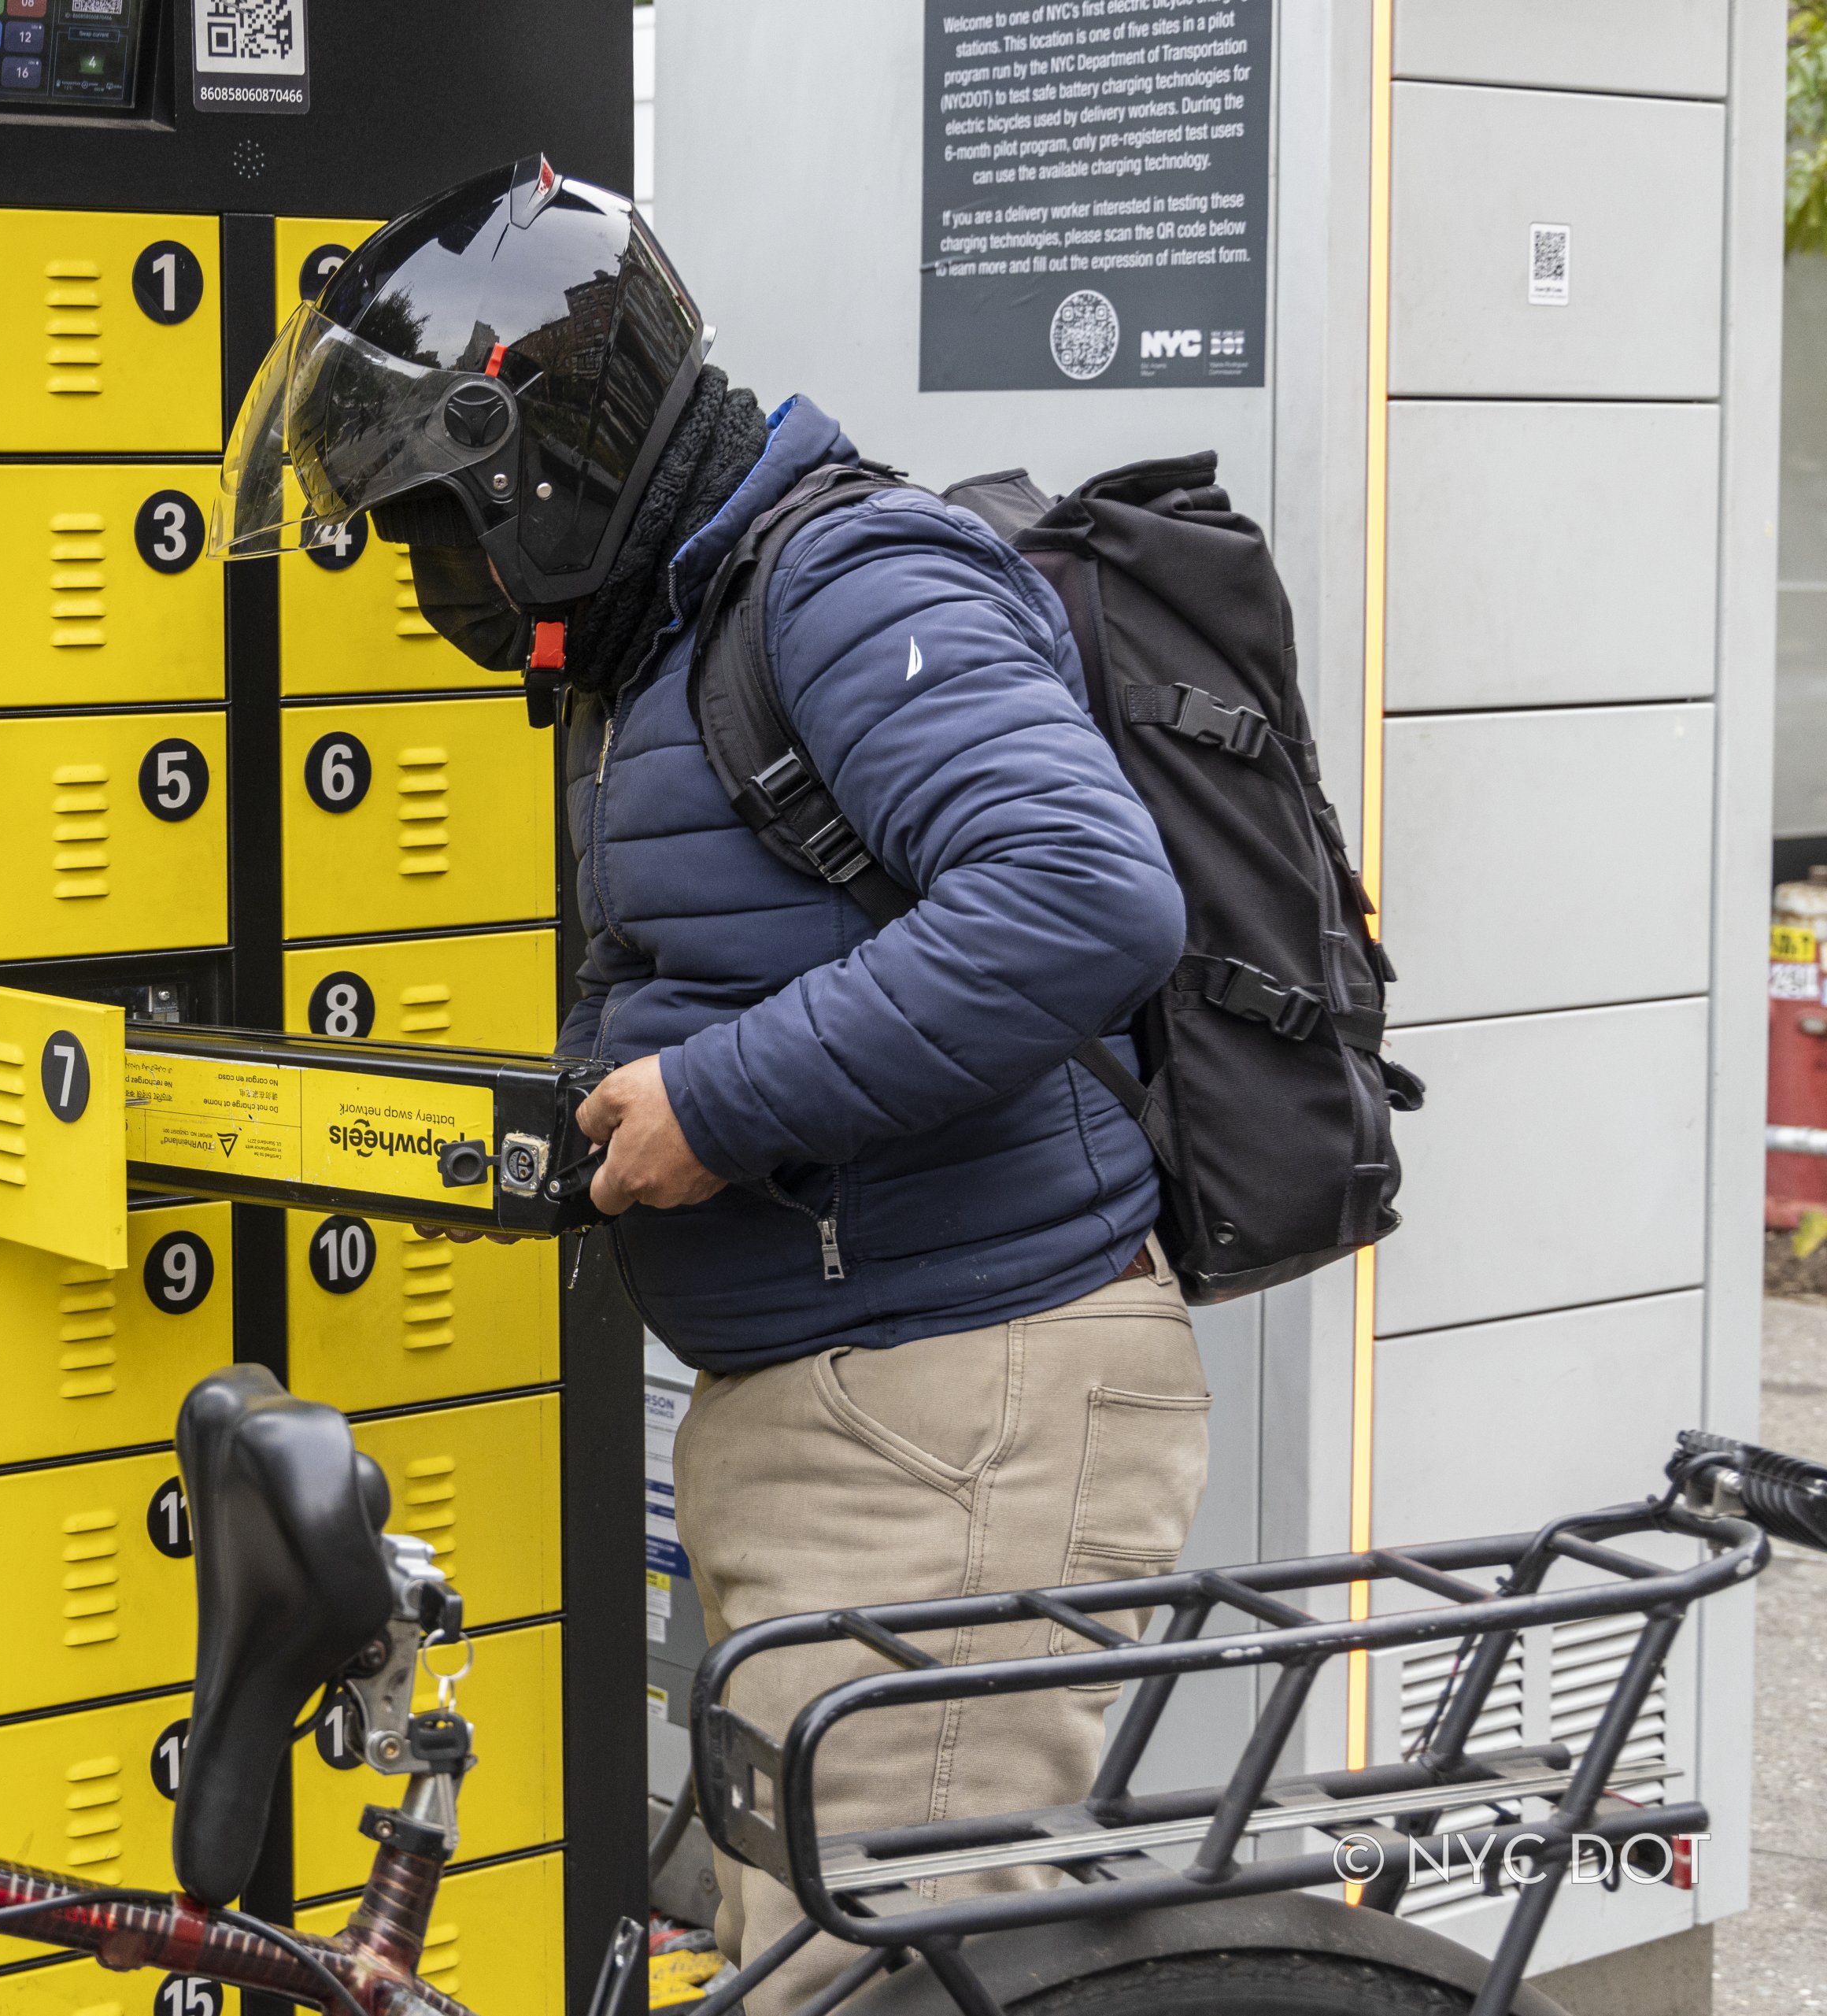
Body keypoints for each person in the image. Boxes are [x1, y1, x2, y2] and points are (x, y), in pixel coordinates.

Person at [217, 157, 1210, 2006]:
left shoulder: (836, 583)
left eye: (444, 526)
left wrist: (711, 1105)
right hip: (858, 1415)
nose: (442, 582)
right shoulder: (660, 637)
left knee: (882, 1982)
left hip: (963, 1408)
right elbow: (742, 962)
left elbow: (1085, 894)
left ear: (541, 456)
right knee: (794, 1955)